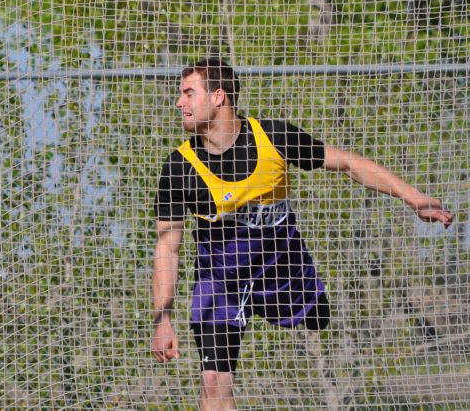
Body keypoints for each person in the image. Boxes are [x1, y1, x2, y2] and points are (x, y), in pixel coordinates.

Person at [151, 57, 453, 410]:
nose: (179, 103)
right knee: (214, 379)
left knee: (318, 318)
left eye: (189, 93)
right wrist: (162, 319)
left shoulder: (273, 138)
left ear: (218, 97)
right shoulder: (178, 168)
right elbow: (167, 249)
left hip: (282, 269)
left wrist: (414, 198)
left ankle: (306, 301)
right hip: (221, 282)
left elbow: (349, 163)